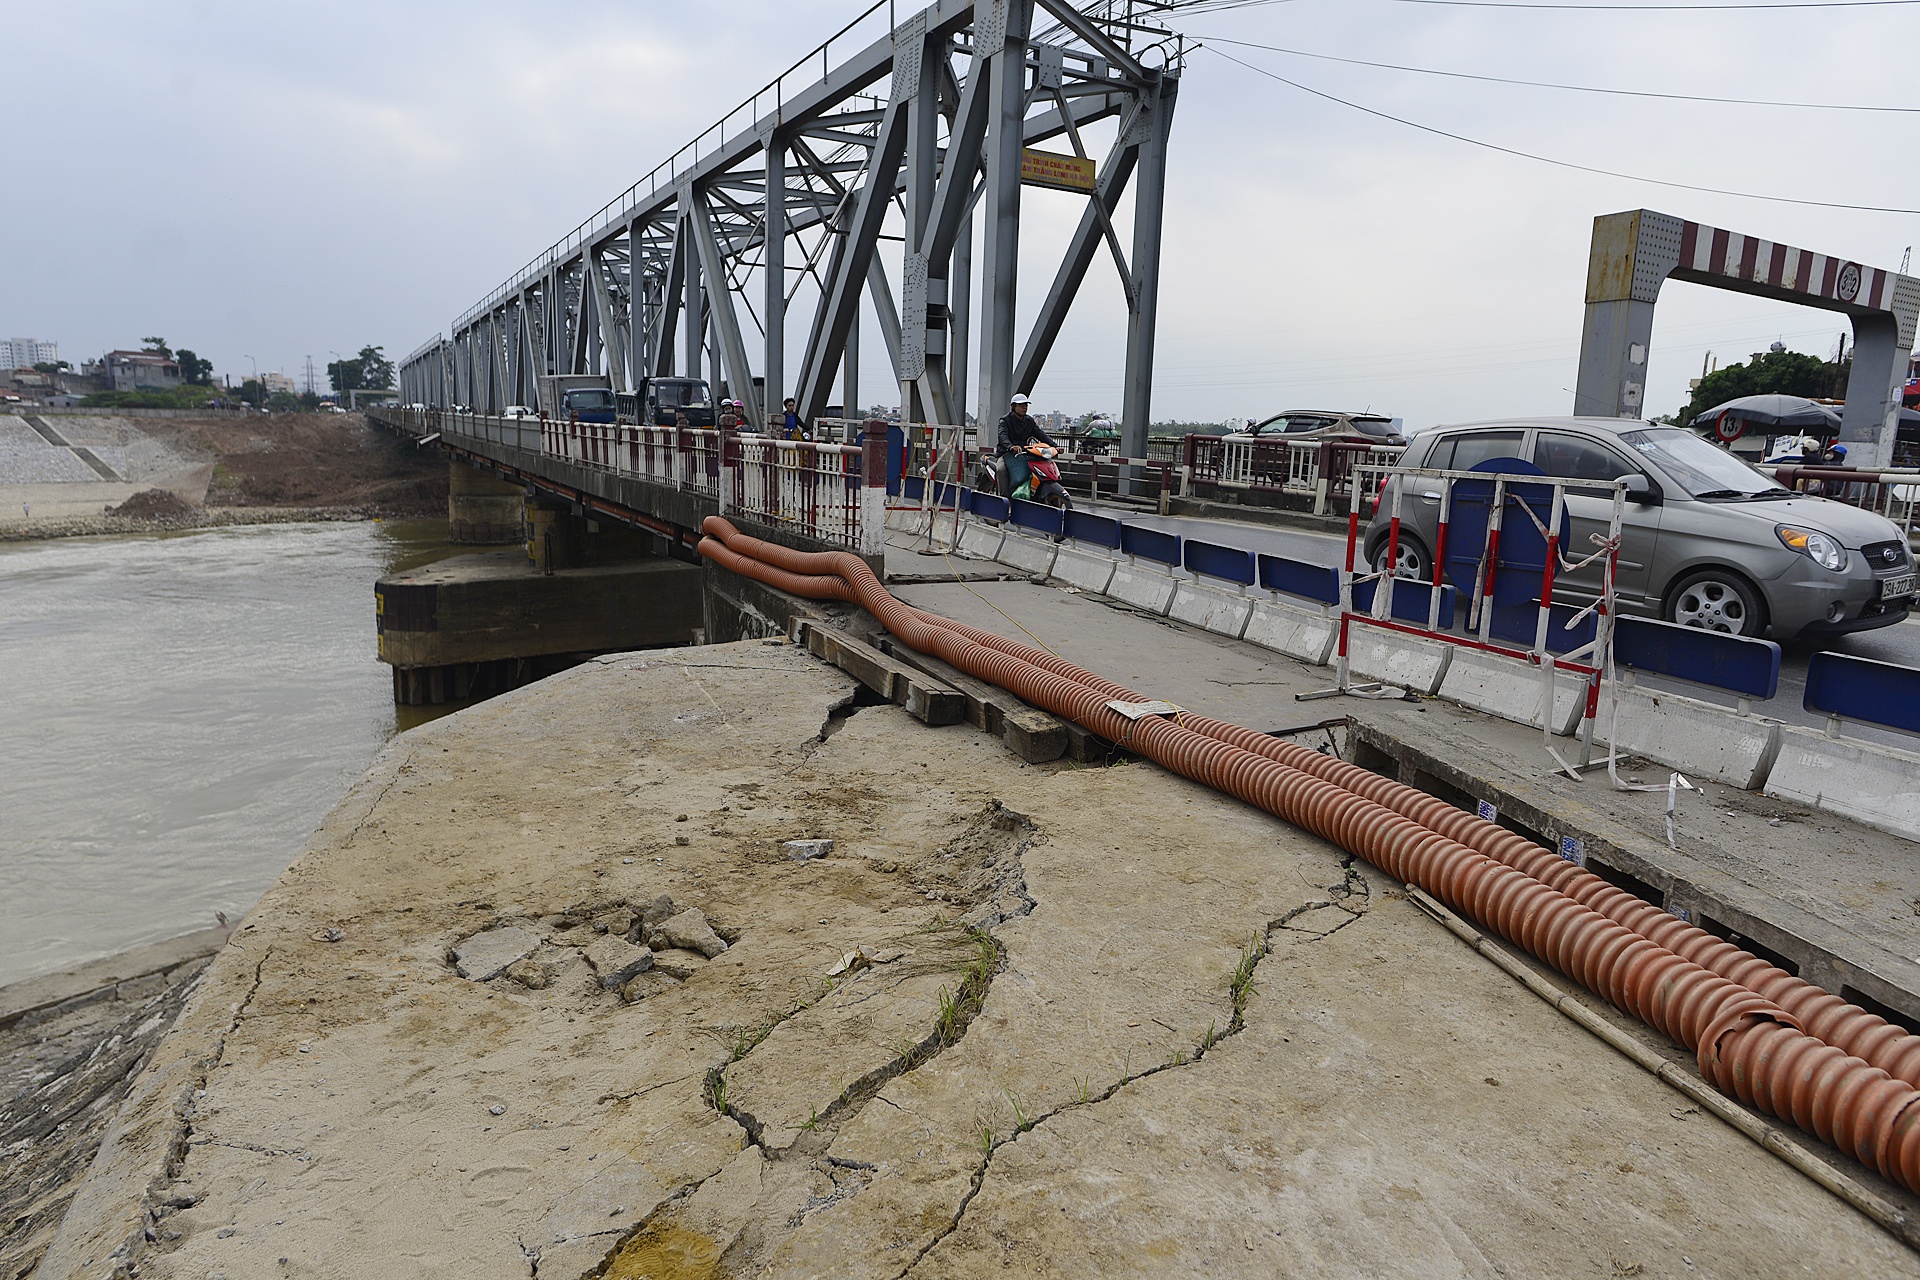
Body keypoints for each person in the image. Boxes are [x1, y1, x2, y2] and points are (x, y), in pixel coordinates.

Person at [993, 393, 1058, 496]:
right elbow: (1002, 436)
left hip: (1023, 453)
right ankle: (1004, 499)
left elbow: (1040, 434)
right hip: (1005, 454)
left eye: (1026, 405)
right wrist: (1010, 447)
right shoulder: (1005, 420)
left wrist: (1055, 446)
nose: (1024, 407)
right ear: (1014, 406)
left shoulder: (1029, 421)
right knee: (1001, 470)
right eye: (1021, 405)